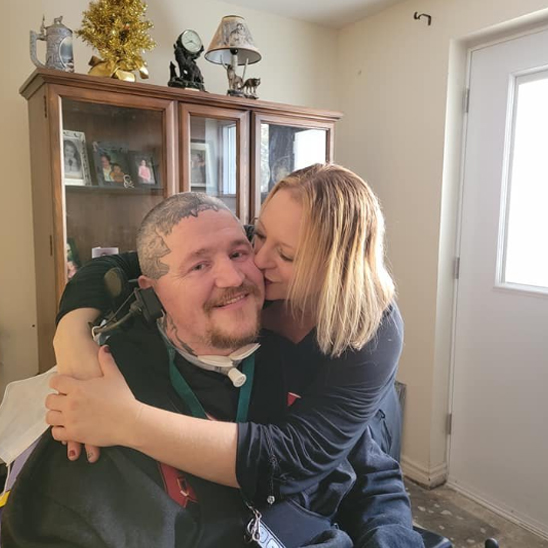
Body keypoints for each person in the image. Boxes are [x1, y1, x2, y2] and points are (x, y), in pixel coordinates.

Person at [2, 192, 422, 547]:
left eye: (239, 252)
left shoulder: (309, 355)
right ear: (151, 290)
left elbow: (371, 473)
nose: (231, 276)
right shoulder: (104, 397)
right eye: (199, 265)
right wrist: (72, 326)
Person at [51, 164, 403, 498]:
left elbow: (295, 460)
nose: (257, 261)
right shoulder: (252, 257)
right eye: (259, 234)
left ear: (338, 269)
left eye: (288, 256)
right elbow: (116, 264)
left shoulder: (372, 330)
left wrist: (128, 422)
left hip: (340, 435)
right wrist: (70, 332)